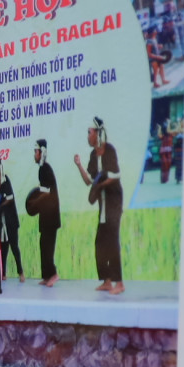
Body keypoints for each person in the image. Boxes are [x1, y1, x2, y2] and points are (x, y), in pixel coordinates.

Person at [74, 116, 124, 294]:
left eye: (89, 132)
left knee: (111, 241)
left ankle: (119, 282)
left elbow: (115, 175)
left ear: (97, 133)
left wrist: (100, 184)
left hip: (113, 202)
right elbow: (89, 180)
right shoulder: (93, 155)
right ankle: (107, 280)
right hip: (103, 205)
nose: (87, 136)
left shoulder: (109, 150)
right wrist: (79, 165)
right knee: (100, 243)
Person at [31, 138, 61, 287]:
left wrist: (35, 202)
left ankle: (53, 274)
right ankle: (47, 275)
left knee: (48, 246)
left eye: (36, 151)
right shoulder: (41, 170)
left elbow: (47, 192)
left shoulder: (45, 169)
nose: (34, 154)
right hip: (46, 215)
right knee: (43, 245)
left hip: (51, 216)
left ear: (42, 152)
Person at [0, 158, 23, 282]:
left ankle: (21, 273)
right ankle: (3, 274)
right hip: (2, 223)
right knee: (3, 248)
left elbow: (10, 198)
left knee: (14, 247)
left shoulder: (5, 181)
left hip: (11, 221)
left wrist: (0, 205)